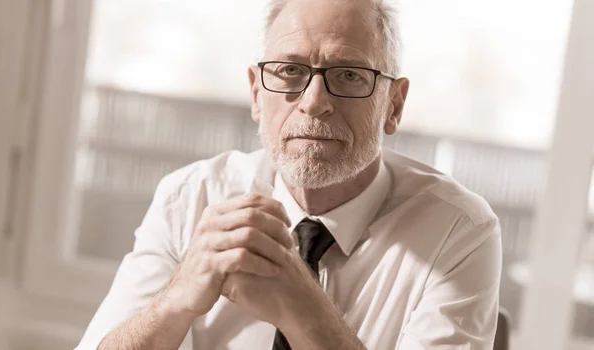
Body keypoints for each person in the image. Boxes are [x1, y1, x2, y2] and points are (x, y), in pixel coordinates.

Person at [77, 0, 502, 349]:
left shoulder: (459, 231)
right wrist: (174, 300)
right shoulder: (189, 198)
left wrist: (305, 312)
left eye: (349, 75)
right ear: (257, 94)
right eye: (289, 71)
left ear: (394, 104)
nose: (314, 102)